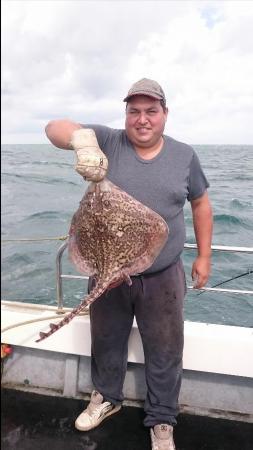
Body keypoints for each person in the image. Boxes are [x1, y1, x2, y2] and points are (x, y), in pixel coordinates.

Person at [45, 78, 213, 450]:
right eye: (134, 111)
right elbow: (54, 128)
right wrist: (82, 142)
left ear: (165, 114)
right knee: (105, 341)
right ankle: (106, 397)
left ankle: (162, 418)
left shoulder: (184, 156)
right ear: (125, 115)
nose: (142, 119)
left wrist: (204, 255)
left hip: (161, 275)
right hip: (107, 271)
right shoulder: (109, 140)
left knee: (166, 348)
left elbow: (200, 204)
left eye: (151, 111)